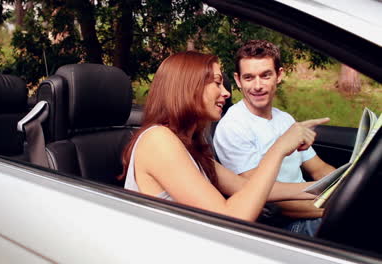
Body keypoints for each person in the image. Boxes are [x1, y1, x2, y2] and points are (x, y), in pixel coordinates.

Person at [121, 51, 329, 222]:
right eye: (217, 83)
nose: (226, 93)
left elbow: (250, 189)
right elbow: (232, 217)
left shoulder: (190, 146)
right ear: (189, 87)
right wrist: (280, 148)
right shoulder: (158, 140)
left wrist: (331, 187)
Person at [213, 40, 335, 234]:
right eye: (249, 77)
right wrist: (330, 207)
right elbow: (264, 197)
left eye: (265, 75)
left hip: (311, 203)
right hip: (283, 224)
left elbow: (319, 169)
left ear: (279, 75)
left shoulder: (285, 119)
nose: (258, 85)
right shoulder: (233, 126)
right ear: (238, 80)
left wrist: (344, 186)